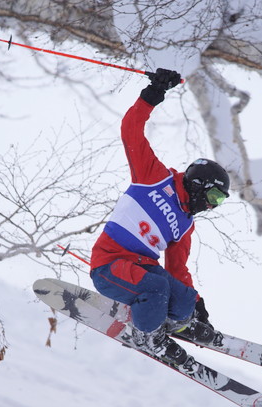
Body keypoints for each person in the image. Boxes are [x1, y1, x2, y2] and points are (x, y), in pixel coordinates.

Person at [90, 68, 231, 368]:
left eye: (219, 202)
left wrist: (195, 303)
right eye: (214, 197)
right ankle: (147, 335)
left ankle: (174, 324)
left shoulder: (186, 224)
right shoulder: (154, 178)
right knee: (156, 288)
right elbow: (131, 130)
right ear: (199, 185)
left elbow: (178, 269)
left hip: (144, 268)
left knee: (180, 297)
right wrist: (152, 95)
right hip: (110, 265)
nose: (212, 206)